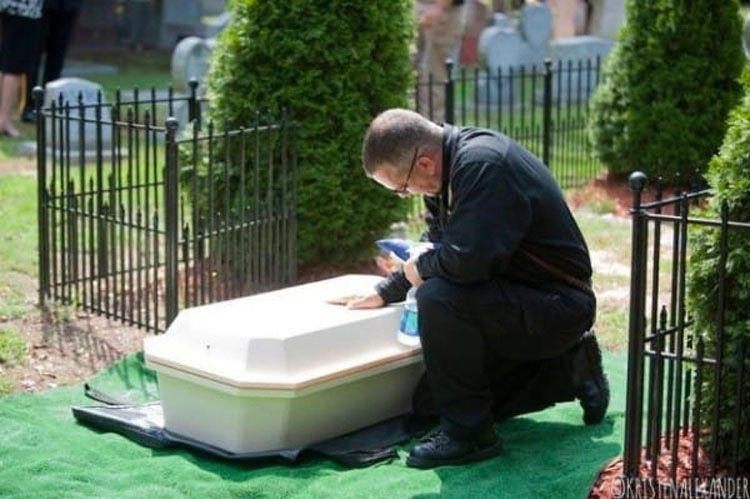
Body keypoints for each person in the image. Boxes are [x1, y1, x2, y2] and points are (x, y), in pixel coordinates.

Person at [332, 108, 609, 469]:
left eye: (401, 188)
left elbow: (465, 263)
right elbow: (435, 246)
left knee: (438, 298)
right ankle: (570, 368)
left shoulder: (484, 166)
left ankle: (470, 436)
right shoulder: (446, 170)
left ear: (425, 163)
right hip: (517, 298)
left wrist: (419, 272)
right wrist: (386, 290)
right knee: (429, 405)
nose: (404, 195)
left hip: (558, 305)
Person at [21, 0, 82, 123]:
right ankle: (30, 106)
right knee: (33, 56)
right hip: (39, 6)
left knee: (57, 57)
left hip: (68, 6)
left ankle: (50, 103)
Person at [415, 0, 465, 122]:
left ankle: (434, 125)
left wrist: (438, 8)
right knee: (415, 73)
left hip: (442, 10)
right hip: (420, 7)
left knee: (434, 75)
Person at [0, 0, 43, 137]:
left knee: (8, 67)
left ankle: (4, 117)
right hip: (23, 11)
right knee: (14, 69)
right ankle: (4, 120)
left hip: (14, 9)